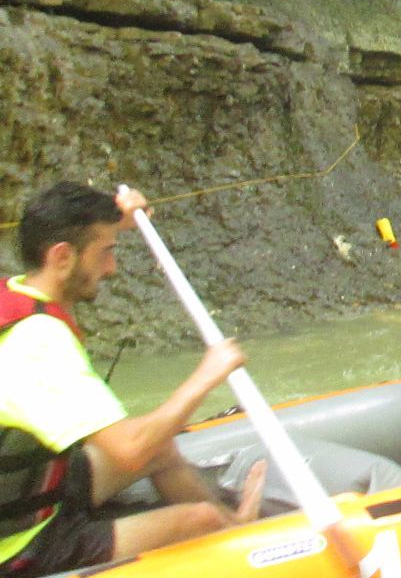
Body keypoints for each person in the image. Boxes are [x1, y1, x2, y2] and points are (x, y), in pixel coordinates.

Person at [1, 183, 264, 578]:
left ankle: (241, 526)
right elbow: (131, 451)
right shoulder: (42, 344)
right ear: (61, 256)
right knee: (202, 519)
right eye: (105, 251)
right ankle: (249, 539)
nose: (112, 268)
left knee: (163, 450)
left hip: (31, 491)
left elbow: (147, 449)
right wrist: (206, 377)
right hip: (21, 544)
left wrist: (116, 221)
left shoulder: (14, 292)